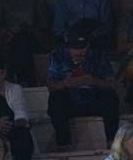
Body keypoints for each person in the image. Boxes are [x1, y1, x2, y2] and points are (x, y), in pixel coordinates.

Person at [46, 21, 121, 150]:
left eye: (82, 47)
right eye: (75, 48)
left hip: (93, 100)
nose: (79, 52)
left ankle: (111, 141)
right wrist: (65, 83)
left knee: (110, 96)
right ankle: (64, 144)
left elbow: (112, 83)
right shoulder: (58, 55)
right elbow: (51, 85)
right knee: (55, 98)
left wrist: (93, 81)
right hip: (70, 102)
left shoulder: (97, 55)